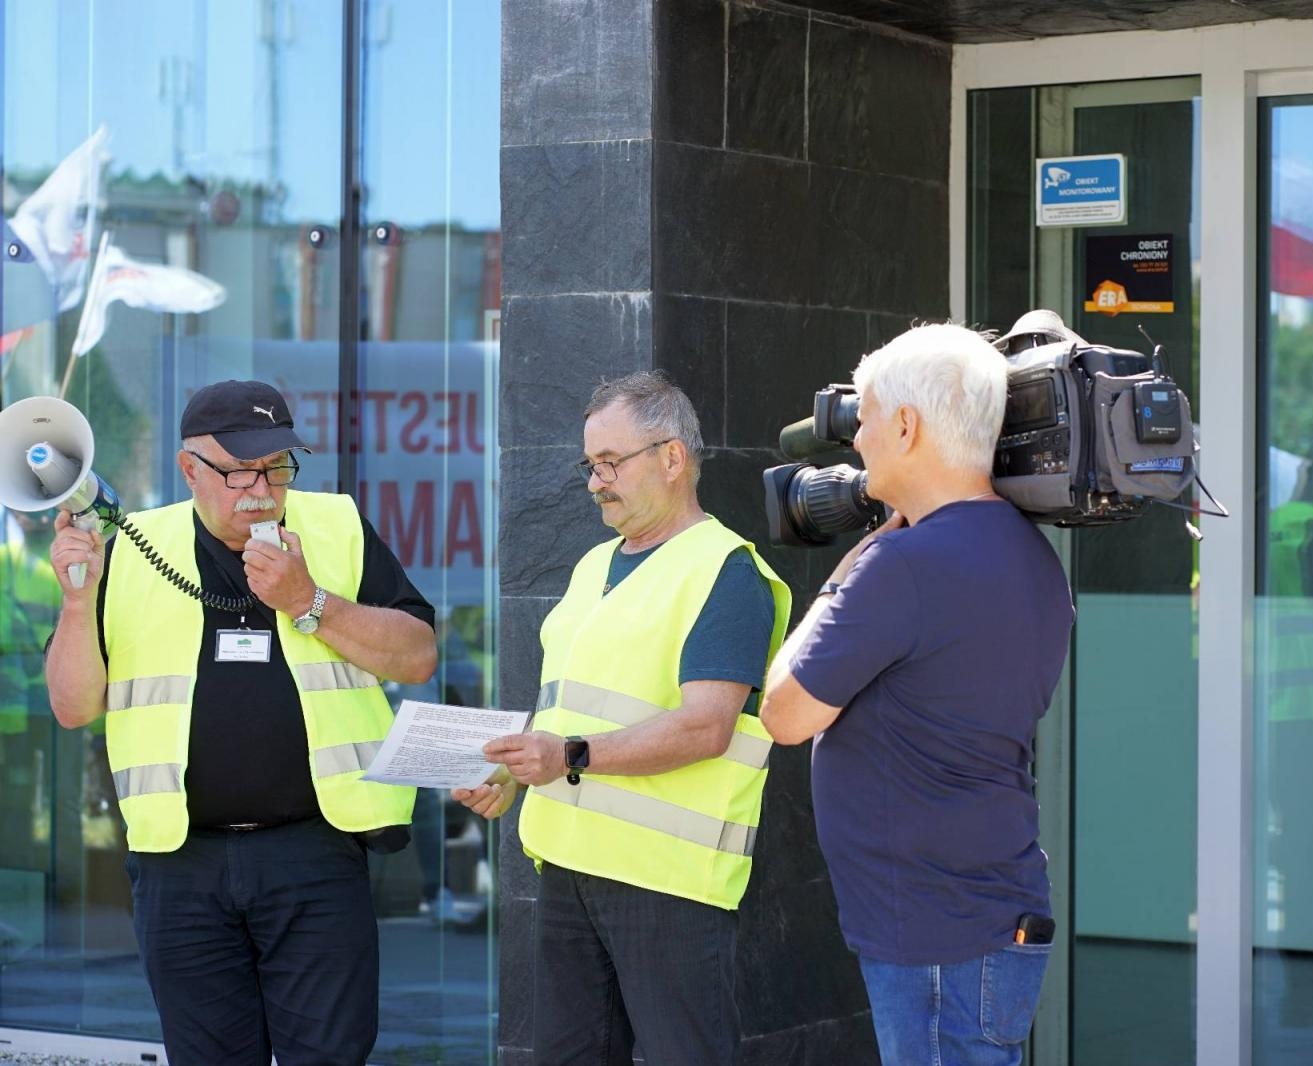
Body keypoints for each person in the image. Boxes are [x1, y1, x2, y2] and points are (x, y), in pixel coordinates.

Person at [43, 380, 437, 1066]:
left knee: (330, 1054)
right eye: (238, 470)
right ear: (190, 468)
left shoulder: (336, 525)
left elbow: (417, 656)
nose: (261, 488)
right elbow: (75, 707)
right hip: (180, 862)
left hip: (315, 851)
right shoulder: (133, 546)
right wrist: (77, 603)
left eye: (277, 466)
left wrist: (310, 600)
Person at [759, 324, 1074, 1066]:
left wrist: (852, 566)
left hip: (938, 939)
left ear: (906, 425)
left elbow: (784, 713)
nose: (857, 438)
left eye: (864, 417)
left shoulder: (902, 566)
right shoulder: (1032, 553)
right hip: (982, 917)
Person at [455, 371, 790, 1065]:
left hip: (667, 887)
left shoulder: (726, 571)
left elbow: (707, 726)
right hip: (570, 868)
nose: (594, 482)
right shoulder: (592, 566)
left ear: (673, 458)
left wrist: (568, 756)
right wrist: (516, 772)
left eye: (611, 463)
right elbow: (569, 706)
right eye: (589, 465)